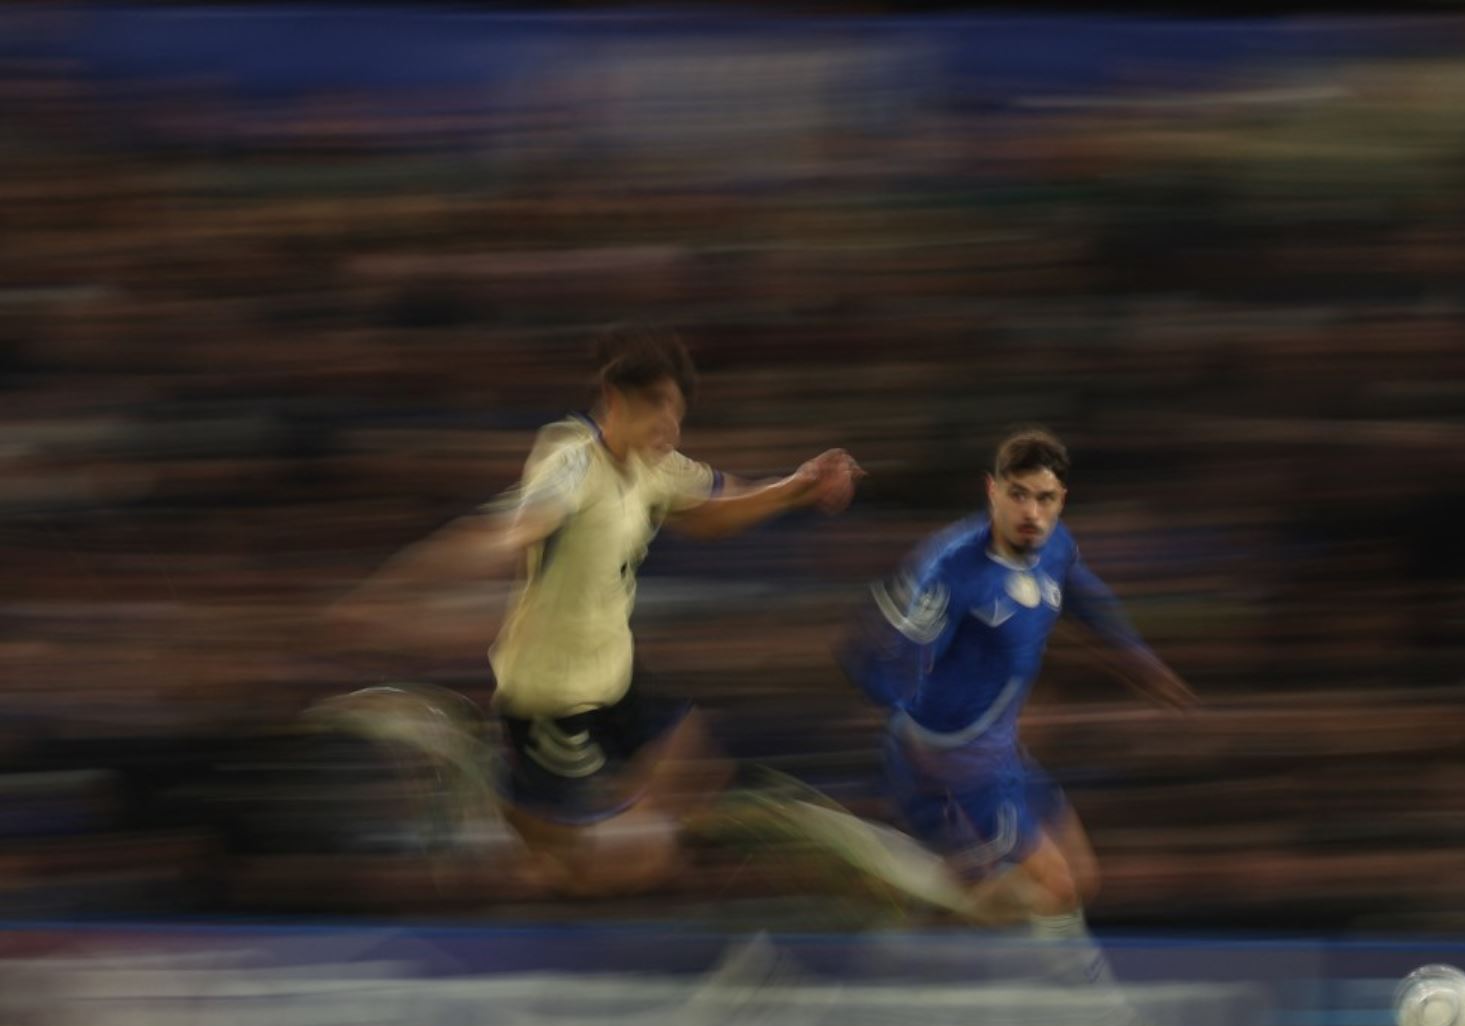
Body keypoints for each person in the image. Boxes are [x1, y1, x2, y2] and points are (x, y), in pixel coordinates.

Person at [334, 325, 863, 899]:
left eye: (677, 413)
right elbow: (512, 531)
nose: (672, 426)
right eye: (659, 409)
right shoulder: (571, 459)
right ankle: (482, 803)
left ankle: (585, 847)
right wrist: (401, 588)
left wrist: (797, 486)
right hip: (553, 697)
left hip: (613, 672)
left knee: (691, 773)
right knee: (583, 869)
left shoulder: (651, 464)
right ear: (615, 398)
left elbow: (713, 511)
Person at [840, 427, 1196, 944]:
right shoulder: (953, 572)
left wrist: (1138, 661)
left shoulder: (1055, 547)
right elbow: (904, 657)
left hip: (1002, 750)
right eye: (1019, 495)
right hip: (954, 759)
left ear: (1061, 500)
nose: (1031, 512)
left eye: (1045, 498)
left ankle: (930, 904)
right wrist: (882, 668)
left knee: (1081, 879)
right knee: (1054, 887)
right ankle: (942, 914)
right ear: (993, 491)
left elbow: (1084, 595)